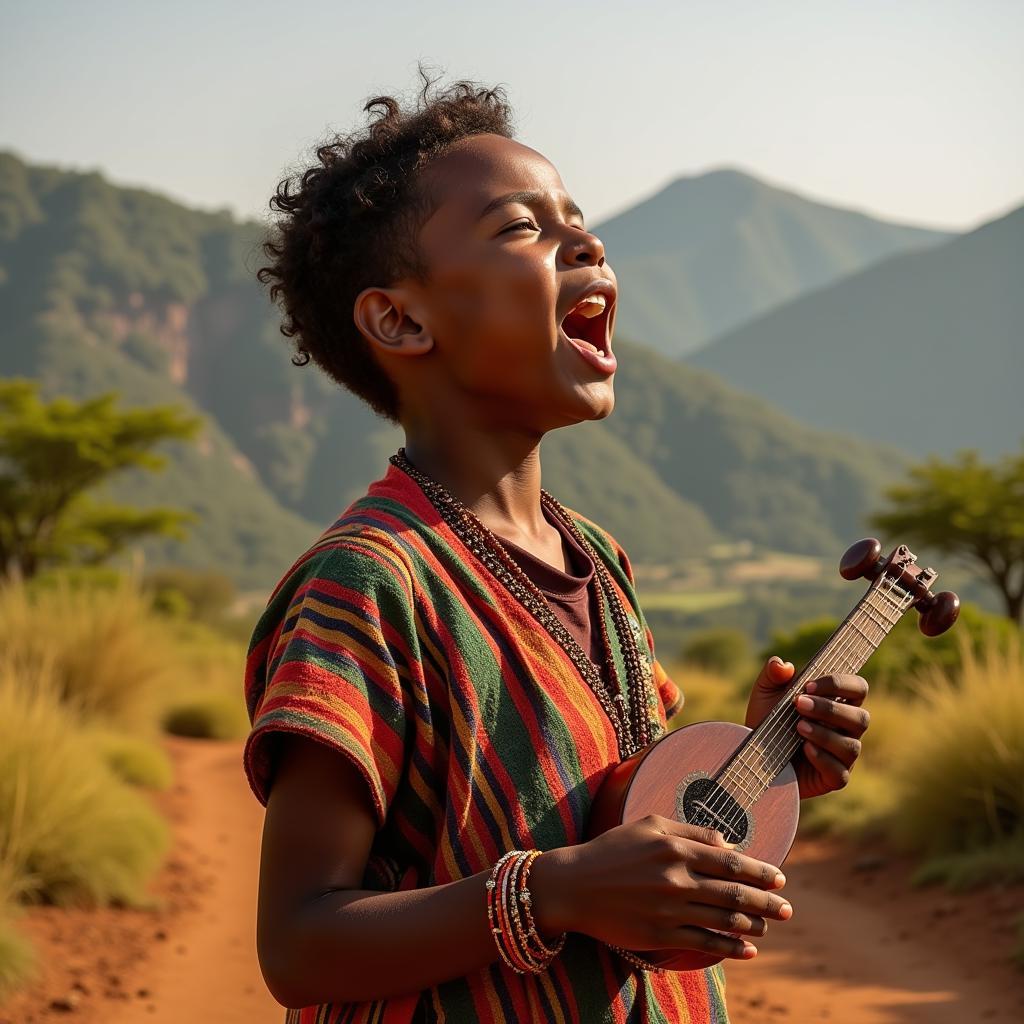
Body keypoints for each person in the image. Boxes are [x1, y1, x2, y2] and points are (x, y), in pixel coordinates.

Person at [242, 73, 870, 1024]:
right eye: (520, 227)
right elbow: (298, 942)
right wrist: (549, 895)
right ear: (401, 319)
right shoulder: (369, 583)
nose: (586, 241)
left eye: (578, 219)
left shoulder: (598, 557)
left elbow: (618, 830)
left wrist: (751, 765)